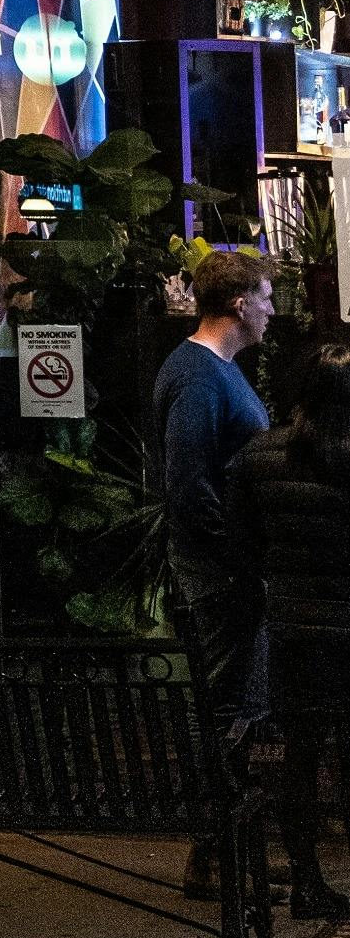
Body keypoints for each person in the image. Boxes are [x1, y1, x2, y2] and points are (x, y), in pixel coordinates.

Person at [157, 247, 277, 895]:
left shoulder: (210, 370)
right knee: (228, 713)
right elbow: (186, 485)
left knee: (239, 711)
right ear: (238, 303)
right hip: (217, 580)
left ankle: (232, 852)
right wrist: (237, 561)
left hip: (226, 575)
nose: (270, 311)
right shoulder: (199, 377)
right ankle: (214, 857)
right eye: (264, 299)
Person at [227, 344, 350, 919]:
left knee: (301, 756)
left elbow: (243, 547)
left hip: (296, 632)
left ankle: (306, 880)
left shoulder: (261, 456)